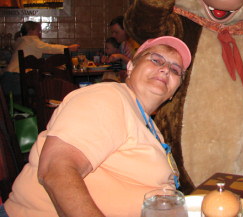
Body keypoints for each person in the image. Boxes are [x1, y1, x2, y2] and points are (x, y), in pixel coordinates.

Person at [1, 36, 191, 217]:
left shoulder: (148, 125)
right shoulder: (108, 97)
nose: (166, 69)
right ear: (131, 67)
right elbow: (56, 170)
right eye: (156, 60)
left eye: (175, 70)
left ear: (174, 92)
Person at [0, 21, 79, 103]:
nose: (40, 33)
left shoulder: (21, 40)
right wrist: (68, 48)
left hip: (7, 79)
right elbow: (49, 48)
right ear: (31, 31)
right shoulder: (31, 40)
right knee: (47, 90)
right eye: (38, 31)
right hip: (17, 81)